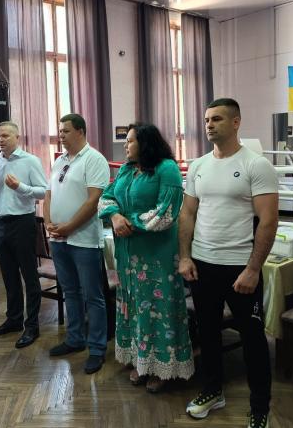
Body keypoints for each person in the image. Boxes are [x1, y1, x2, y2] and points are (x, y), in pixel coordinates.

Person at [178, 98, 278, 428]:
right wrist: (185, 256)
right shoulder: (198, 165)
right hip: (202, 265)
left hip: (240, 269)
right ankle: (212, 390)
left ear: (236, 122)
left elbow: (268, 221)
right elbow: (188, 213)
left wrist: (253, 269)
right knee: (207, 334)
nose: (209, 124)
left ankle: (260, 407)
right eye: (207, 119)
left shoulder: (256, 165)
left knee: (252, 340)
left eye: (217, 119)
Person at [98, 123, 194, 393]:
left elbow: (166, 213)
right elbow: (105, 198)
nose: (125, 145)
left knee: (158, 308)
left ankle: (163, 367)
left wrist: (127, 221)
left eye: (130, 141)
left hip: (157, 255)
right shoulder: (127, 169)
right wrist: (115, 217)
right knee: (134, 307)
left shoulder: (166, 168)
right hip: (128, 256)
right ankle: (142, 362)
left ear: (146, 142)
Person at [45, 114, 110, 374]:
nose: (61, 135)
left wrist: (70, 226)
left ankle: (97, 348)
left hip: (83, 239)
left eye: (66, 131)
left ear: (81, 131)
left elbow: (94, 201)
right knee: (70, 291)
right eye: (60, 131)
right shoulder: (59, 161)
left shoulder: (94, 159)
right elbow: (49, 194)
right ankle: (75, 339)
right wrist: (49, 222)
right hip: (58, 238)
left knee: (93, 296)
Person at [0, 121, 47, 349]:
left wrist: (21, 187)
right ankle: (14, 319)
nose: (0, 140)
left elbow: (43, 192)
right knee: (9, 276)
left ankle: (32, 326)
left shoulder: (30, 161)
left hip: (22, 223)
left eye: (5, 136)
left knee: (29, 276)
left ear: (17, 137)